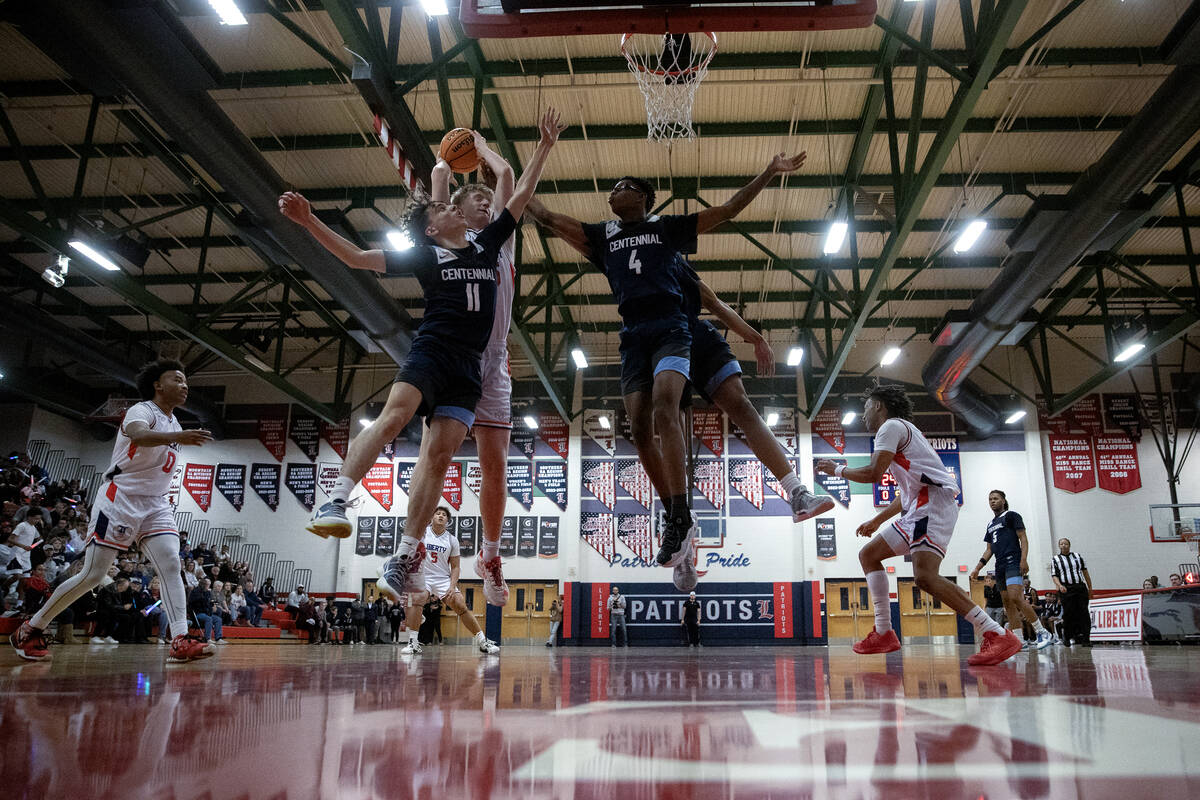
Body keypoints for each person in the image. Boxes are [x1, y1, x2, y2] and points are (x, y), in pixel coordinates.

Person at [283, 109, 565, 604]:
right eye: (448, 209)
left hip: (472, 370)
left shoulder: (486, 246)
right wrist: (309, 222)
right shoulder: (424, 253)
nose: (459, 209)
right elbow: (355, 258)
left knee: (439, 458)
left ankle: (403, 557)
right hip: (433, 352)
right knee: (393, 419)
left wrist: (543, 148)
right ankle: (335, 499)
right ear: (433, 228)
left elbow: (516, 194)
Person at [525, 151, 809, 571]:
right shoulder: (605, 238)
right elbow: (545, 216)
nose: (613, 191)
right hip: (639, 338)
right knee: (642, 426)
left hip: (681, 330)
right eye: (612, 188)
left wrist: (755, 337)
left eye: (623, 185)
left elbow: (714, 291)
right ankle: (678, 520)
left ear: (643, 197)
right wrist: (507, 175)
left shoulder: (668, 240)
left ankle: (788, 489)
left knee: (697, 408)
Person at [10, 359, 215, 663]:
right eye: (177, 379)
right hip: (121, 497)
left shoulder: (174, 423)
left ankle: (180, 639)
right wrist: (178, 438)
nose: (184, 386)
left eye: (185, 381)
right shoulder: (142, 410)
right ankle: (30, 628)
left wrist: (177, 435)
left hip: (155, 504)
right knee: (94, 575)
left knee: (172, 564)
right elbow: (138, 434)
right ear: (158, 385)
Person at [816, 385, 1021, 666]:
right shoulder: (900, 433)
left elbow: (874, 473)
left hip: (933, 504)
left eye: (866, 408)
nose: (863, 415)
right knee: (869, 555)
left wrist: (836, 469)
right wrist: (877, 520)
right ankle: (884, 631)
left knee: (925, 577)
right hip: (918, 506)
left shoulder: (890, 426)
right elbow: (908, 493)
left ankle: (996, 633)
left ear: (878, 406)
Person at [431, 145, 517, 609]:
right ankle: (409, 549)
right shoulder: (449, 242)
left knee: (495, 467)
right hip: (458, 355)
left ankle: (490, 555)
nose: (485, 204)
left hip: (495, 361)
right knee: (437, 458)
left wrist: (478, 142)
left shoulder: (501, 239)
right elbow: (438, 199)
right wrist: (442, 166)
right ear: (457, 213)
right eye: (475, 200)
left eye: (488, 200)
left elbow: (505, 174)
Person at [385, 506, 498, 654]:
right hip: (423, 576)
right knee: (417, 598)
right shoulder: (422, 534)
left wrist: (452, 586)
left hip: (443, 579)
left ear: (447, 521)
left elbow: (456, 567)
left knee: (460, 604)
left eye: (444, 515)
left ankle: (483, 641)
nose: (440, 516)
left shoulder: (452, 540)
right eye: (437, 513)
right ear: (432, 517)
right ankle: (413, 643)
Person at [970, 490, 1053, 650]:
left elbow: (1023, 538)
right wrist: (977, 568)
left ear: (1003, 500)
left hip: (1013, 561)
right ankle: (1019, 640)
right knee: (1007, 603)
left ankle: (1043, 632)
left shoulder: (1011, 515)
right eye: (990, 499)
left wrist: (1023, 559)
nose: (992, 501)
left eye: (995, 498)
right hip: (999, 566)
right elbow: (989, 550)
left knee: (1016, 597)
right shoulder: (990, 524)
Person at [1052, 537, 1092, 647]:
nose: (1064, 545)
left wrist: (1090, 588)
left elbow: (1085, 573)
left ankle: (1086, 639)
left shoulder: (1077, 557)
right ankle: (1067, 636)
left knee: (1084, 613)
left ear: (1069, 545)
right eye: (1061, 544)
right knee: (1069, 614)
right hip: (1066, 589)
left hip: (1080, 588)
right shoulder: (1055, 559)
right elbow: (1054, 575)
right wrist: (1059, 585)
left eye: (1066, 543)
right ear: (1059, 546)